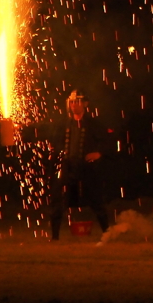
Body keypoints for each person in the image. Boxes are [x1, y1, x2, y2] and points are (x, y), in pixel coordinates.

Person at [50, 90, 110, 239]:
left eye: (77, 102)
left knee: (97, 200)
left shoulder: (93, 124)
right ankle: (55, 237)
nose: (74, 105)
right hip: (68, 166)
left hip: (87, 167)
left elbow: (107, 140)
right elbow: (48, 133)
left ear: (85, 104)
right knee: (59, 200)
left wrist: (99, 153)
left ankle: (107, 234)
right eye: (71, 102)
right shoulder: (64, 124)